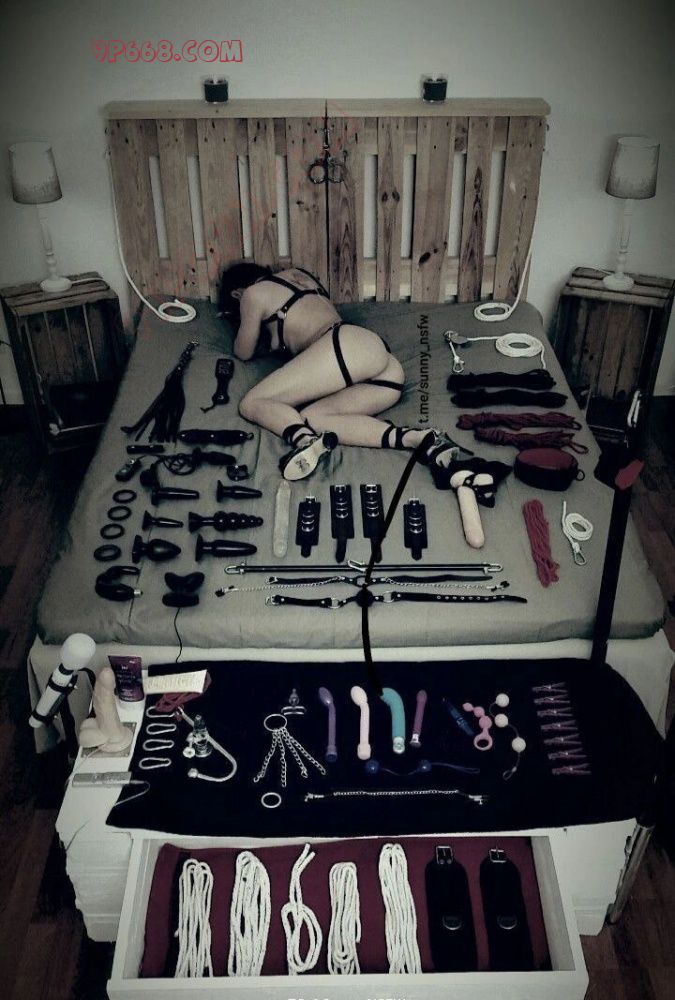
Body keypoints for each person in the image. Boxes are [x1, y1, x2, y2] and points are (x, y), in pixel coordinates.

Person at [220, 262, 459, 480]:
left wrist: (240, 314)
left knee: (251, 402)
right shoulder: (300, 274)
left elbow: (243, 352)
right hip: (382, 363)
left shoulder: (252, 294)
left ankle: (304, 440)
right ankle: (420, 438)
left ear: (236, 293)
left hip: (343, 348)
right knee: (313, 418)